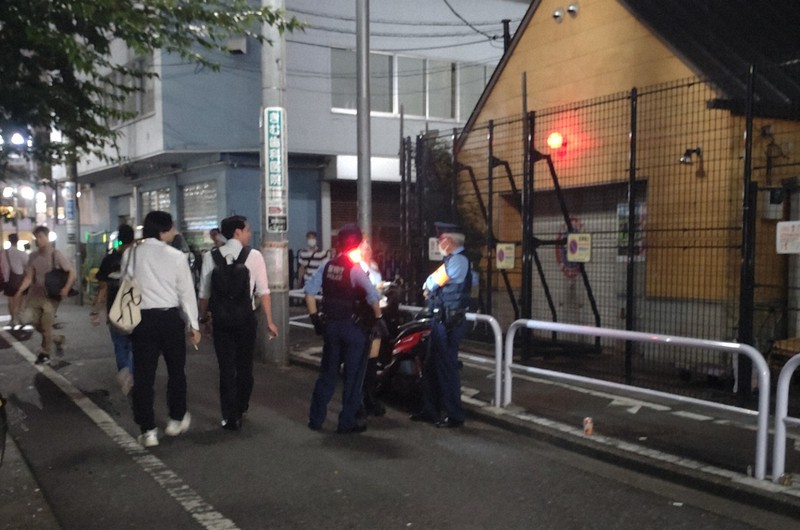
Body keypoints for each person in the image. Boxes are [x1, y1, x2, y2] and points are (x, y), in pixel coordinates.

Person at [198, 215, 279, 431]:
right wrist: (270, 321)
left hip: (222, 321)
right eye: (247, 230)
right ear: (237, 232)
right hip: (245, 319)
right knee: (245, 367)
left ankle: (229, 415)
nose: (250, 233)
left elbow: (204, 294)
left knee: (226, 368)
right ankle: (241, 406)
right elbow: (264, 291)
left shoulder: (211, 256)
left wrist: (203, 319)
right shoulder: (254, 256)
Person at [126, 211, 201, 448]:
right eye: (172, 228)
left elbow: (128, 286)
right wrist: (194, 324)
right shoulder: (176, 256)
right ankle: (176, 419)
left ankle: (148, 430)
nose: (175, 232)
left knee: (143, 377)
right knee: (176, 371)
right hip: (169, 319)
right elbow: (186, 293)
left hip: (142, 320)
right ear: (162, 231)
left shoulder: (131, 253)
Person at [305, 224, 385, 434]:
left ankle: (316, 419)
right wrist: (378, 318)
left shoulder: (327, 265)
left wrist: (315, 319)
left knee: (327, 375)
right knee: (353, 376)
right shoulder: (355, 268)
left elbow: (309, 292)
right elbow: (372, 296)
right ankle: (346, 422)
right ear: (357, 244)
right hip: (352, 330)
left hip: (331, 327)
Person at [410, 222, 471, 428]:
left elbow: (431, 284)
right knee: (431, 366)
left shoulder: (458, 262)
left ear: (450, 240)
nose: (438, 242)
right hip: (441, 320)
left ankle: (454, 415)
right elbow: (428, 283)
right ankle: (431, 410)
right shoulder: (452, 261)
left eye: (441, 239)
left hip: (449, 322)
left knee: (446, 368)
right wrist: (429, 285)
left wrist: (430, 286)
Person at [13, 226, 75, 365]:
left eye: (41, 237)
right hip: (35, 296)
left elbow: (71, 272)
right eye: (36, 237)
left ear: (47, 237)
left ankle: (44, 353)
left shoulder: (56, 254)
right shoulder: (32, 256)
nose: (38, 240)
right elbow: (29, 277)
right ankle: (58, 339)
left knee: (46, 325)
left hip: (51, 297)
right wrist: (20, 290)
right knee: (35, 324)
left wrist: (66, 288)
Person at [90, 224, 136, 395]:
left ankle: (124, 370)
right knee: (136, 344)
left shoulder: (109, 259)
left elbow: (102, 287)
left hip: (114, 307)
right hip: (135, 306)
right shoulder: (138, 258)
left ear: (118, 240)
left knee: (119, 344)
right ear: (134, 239)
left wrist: (96, 310)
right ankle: (131, 371)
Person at [359, 240, 386, 418]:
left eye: (369, 247)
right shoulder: (357, 267)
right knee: (363, 360)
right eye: (364, 247)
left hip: (378, 312)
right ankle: (363, 400)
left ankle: (369, 398)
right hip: (366, 315)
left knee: (372, 360)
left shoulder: (374, 266)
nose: (368, 250)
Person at [2, 233, 29, 328]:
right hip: (19, 279)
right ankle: (19, 317)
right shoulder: (21, 253)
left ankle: (12, 319)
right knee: (21, 300)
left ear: (9, 241)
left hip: (7, 279)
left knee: (10, 300)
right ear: (17, 241)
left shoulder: (3, 253)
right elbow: (28, 265)